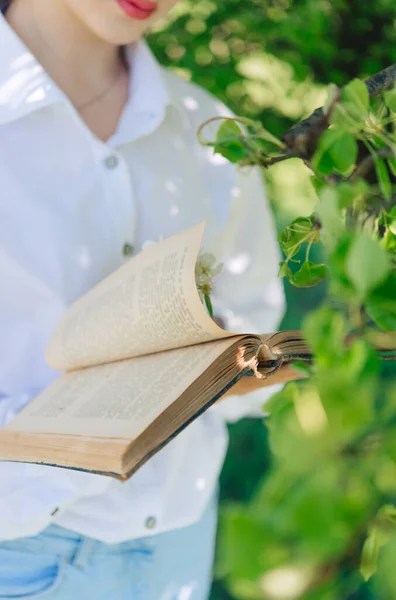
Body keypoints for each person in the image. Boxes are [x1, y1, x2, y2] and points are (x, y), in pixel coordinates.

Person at [0, 0, 285, 598]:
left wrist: (221, 360)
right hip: (20, 551)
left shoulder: (206, 130)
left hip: (175, 550)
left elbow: (259, 328)